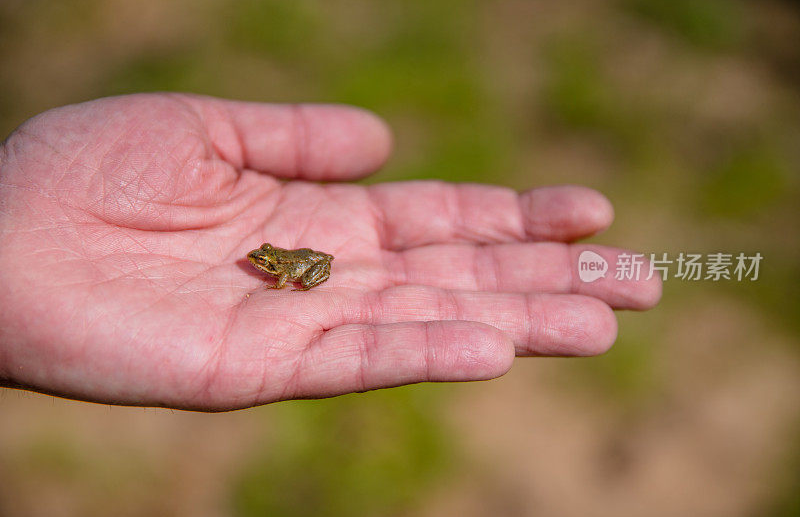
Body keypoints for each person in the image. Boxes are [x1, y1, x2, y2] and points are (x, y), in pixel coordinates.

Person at [0, 94, 661, 411]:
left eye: (260, 264)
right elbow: (277, 259)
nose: (253, 266)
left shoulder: (284, 269)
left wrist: (291, 280)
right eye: (259, 263)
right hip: (306, 258)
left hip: (311, 264)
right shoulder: (270, 261)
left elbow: (296, 266)